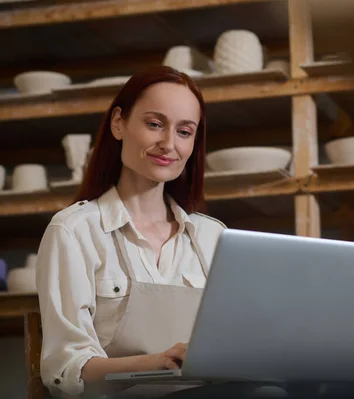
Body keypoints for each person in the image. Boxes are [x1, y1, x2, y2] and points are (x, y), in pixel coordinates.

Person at [35, 66, 226, 398]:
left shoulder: (213, 238)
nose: (169, 144)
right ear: (118, 123)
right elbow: (66, 370)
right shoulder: (74, 232)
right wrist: (156, 363)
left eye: (184, 131)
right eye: (155, 124)